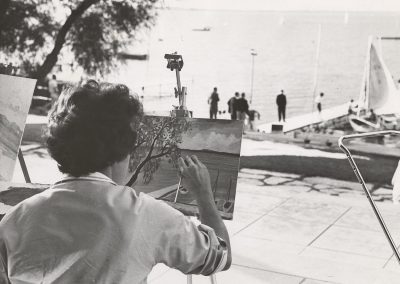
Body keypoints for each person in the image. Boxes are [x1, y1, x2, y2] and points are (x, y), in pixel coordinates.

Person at [0, 81, 231, 283]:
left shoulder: (15, 220)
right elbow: (220, 256)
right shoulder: (146, 214)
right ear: (122, 150)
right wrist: (203, 195)